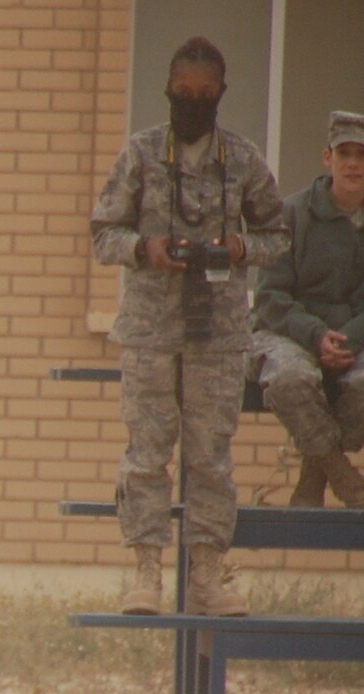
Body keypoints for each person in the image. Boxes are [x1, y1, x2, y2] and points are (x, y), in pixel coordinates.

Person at [89, 36, 287, 617]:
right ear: (168, 90)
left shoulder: (244, 160)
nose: (193, 102)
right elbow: (102, 232)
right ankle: (146, 575)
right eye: (183, 93)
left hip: (218, 333)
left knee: (210, 458)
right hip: (151, 329)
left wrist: (238, 246)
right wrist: (145, 248)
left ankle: (205, 577)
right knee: (146, 453)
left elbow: (278, 237)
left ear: (221, 94)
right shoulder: (142, 153)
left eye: (204, 94)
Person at [251, 110, 364, 508]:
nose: (353, 163)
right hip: (289, 334)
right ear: (327, 158)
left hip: (355, 340)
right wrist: (316, 337)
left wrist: (346, 339)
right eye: (344, 153)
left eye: (362, 154)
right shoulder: (293, 214)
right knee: (290, 380)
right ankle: (340, 472)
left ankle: (314, 473)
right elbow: (269, 297)